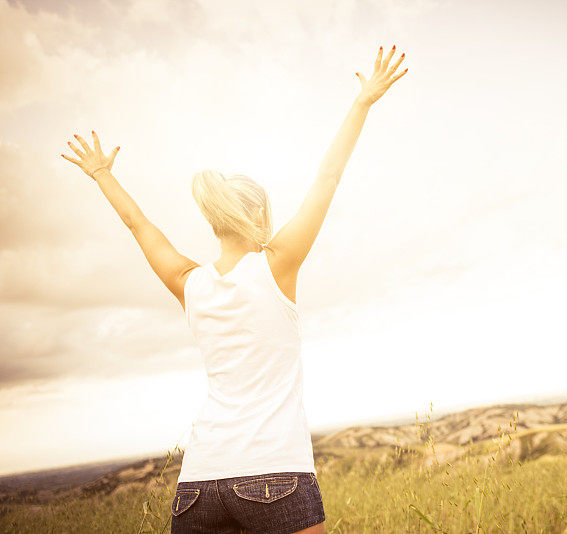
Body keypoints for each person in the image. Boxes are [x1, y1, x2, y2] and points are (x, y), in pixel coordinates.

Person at [61, 45, 408, 534]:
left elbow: (140, 226)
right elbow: (328, 176)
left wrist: (102, 176)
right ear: (260, 216)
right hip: (275, 475)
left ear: (214, 222)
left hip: (199, 483)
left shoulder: (189, 283)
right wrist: (362, 103)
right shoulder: (277, 265)